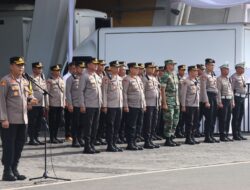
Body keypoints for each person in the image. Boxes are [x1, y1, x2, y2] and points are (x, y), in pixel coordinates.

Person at [0, 56, 37, 181]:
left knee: (19, 146)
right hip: (10, 120)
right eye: (18, 65)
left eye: (22, 65)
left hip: (23, 119)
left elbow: (27, 96)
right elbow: (1, 101)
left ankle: (14, 169)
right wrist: (3, 118)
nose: (21, 67)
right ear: (11, 66)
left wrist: (31, 100)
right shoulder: (5, 81)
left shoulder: (25, 81)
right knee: (9, 146)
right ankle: (7, 171)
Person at [78, 58, 102, 154]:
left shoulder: (96, 76)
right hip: (89, 105)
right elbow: (81, 91)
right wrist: (82, 105)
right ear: (88, 65)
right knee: (88, 126)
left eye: (97, 64)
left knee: (95, 126)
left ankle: (92, 144)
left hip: (97, 105)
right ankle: (87, 146)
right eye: (94, 64)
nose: (96, 65)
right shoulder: (85, 76)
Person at [123, 62, 146, 150]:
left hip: (140, 105)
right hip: (132, 105)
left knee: (139, 124)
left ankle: (135, 142)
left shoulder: (138, 79)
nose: (137, 70)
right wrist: (125, 105)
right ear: (131, 69)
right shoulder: (127, 79)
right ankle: (130, 143)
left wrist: (144, 104)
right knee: (131, 125)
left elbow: (142, 93)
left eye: (138, 68)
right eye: (135, 68)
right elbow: (124, 93)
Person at [102, 61, 123, 152]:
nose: (117, 69)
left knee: (117, 125)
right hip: (111, 106)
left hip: (119, 105)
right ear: (111, 68)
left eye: (118, 67)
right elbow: (104, 92)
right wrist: (105, 106)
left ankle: (114, 143)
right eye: (115, 67)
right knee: (111, 125)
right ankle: (110, 145)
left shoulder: (119, 78)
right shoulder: (107, 78)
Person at [160, 59, 181, 147]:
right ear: (167, 65)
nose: (173, 66)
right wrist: (164, 103)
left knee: (176, 120)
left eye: (173, 65)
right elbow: (162, 90)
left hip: (176, 101)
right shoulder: (165, 75)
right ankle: (167, 139)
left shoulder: (175, 75)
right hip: (169, 101)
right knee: (169, 120)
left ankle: (172, 137)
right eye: (171, 65)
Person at [28, 62, 48, 145]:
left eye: (41, 68)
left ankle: (36, 137)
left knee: (39, 122)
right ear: (33, 69)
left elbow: (45, 90)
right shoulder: (30, 78)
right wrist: (31, 101)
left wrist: (46, 104)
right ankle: (32, 139)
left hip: (41, 103)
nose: (40, 70)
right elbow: (29, 91)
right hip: (34, 104)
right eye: (38, 68)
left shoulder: (42, 77)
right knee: (33, 122)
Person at [66, 61, 85, 147]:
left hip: (83, 104)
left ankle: (80, 138)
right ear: (76, 68)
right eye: (80, 67)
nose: (82, 69)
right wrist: (70, 104)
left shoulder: (84, 77)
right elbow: (68, 92)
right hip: (75, 104)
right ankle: (75, 140)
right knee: (75, 123)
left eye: (83, 68)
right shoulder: (71, 78)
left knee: (82, 122)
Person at [200, 58, 219, 143]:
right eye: (211, 65)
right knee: (209, 118)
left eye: (213, 65)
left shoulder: (213, 74)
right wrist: (206, 101)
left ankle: (211, 135)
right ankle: (207, 136)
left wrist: (218, 100)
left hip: (214, 96)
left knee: (213, 117)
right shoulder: (204, 75)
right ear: (206, 65)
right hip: (208, 96)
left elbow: (216, 88)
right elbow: (203, 89)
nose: (212, 67)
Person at [142, 62, 160, 149]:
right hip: (148, 104)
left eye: (153, 68)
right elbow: (142, 92)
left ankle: (150, 140)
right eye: (150, 68)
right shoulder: (144, 79)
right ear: (146, 69)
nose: (152, 69)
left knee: (154, 123)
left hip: (155, 104)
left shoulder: (154, 78)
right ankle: (146, 141)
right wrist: (144, 104)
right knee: (148, 124)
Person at [181, 66, 200, 145]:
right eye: (194, 71)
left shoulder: (196, 80)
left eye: (196, 71)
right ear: (190, 72)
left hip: (196, 104)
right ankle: (188, 138)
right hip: (189, 105)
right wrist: (183, 105)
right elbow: (183, 94)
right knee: (190, 123)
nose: (196, 72)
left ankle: (192, 137)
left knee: (195, 122)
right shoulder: (186, 81)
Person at [47, 64, 65, 144]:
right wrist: (47, 104)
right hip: (53, 104)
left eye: (59, 70)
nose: (58, 72)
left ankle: (55, 136)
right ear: (52, 72)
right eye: (56, 71)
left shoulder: (61, 80)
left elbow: (64, 93)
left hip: (60, 104)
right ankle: (51, 137)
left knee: (58, 122)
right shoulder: (49, 81)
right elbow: (46, 93)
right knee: (52, 122)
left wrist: (64, 103)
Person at [217, 64, 234, 142]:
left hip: (229, 100)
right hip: (223, 101)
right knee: (223, 119)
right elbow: (218, 91)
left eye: (228, 69)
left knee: (228, 118)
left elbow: (231, 91)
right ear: (221, 70)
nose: (227, 71)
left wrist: (232, 101)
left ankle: (226, 134)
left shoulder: (229, 79)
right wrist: (219, 102)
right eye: (225, 69)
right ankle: (222, 135)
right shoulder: (219, 79)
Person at [231, 62, 248, 140]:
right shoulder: (233, 77)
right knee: (236, 116)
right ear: (237, 68)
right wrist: (233, 100)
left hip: (242, 98)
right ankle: (235, 134)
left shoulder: (242, 76)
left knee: (241, 115)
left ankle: (239, 133)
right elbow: (231, 90)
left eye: (243, 68)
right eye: (242, 68)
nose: (243, 69)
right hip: (236, 98)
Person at [63, 62, 76, 142]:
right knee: (68, 119)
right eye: (73, 68)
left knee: (73, 119)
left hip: (74, 101)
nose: (74, 70)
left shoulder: (75, 76)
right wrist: (66, 102)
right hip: (68, 101)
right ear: (69, 68)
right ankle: (68, 135)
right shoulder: (66, 77)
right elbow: (65, 91)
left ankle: (73, 134)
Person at [95, 59, 107, 145]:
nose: (103, 67)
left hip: (103, 102)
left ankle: (99, 137)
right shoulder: (94, 75)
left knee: (102, 122)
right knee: (96, 122)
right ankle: (94, 138)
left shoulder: (104, 75)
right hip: (96, 102)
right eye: (101, 65)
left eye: (103, 65)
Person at [175, 65, 186, 138]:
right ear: (178, 70)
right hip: (178, 100)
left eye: (184, 70)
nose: (183, 71)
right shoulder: (176, 78)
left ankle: (181, 131)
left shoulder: (185, 78)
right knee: (178, 117)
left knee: (183, 118)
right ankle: (177, 132)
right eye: (182, 70)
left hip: (184, 100)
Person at [195, 64, 205, 137]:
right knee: (196, 117)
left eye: (203, 70)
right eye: (201, 69)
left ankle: (197, 131)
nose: (202, 71)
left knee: (200, 117)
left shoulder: (203, 78)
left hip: (202, 100)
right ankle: (195, 131)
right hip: (196, 101)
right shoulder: (195, 78)